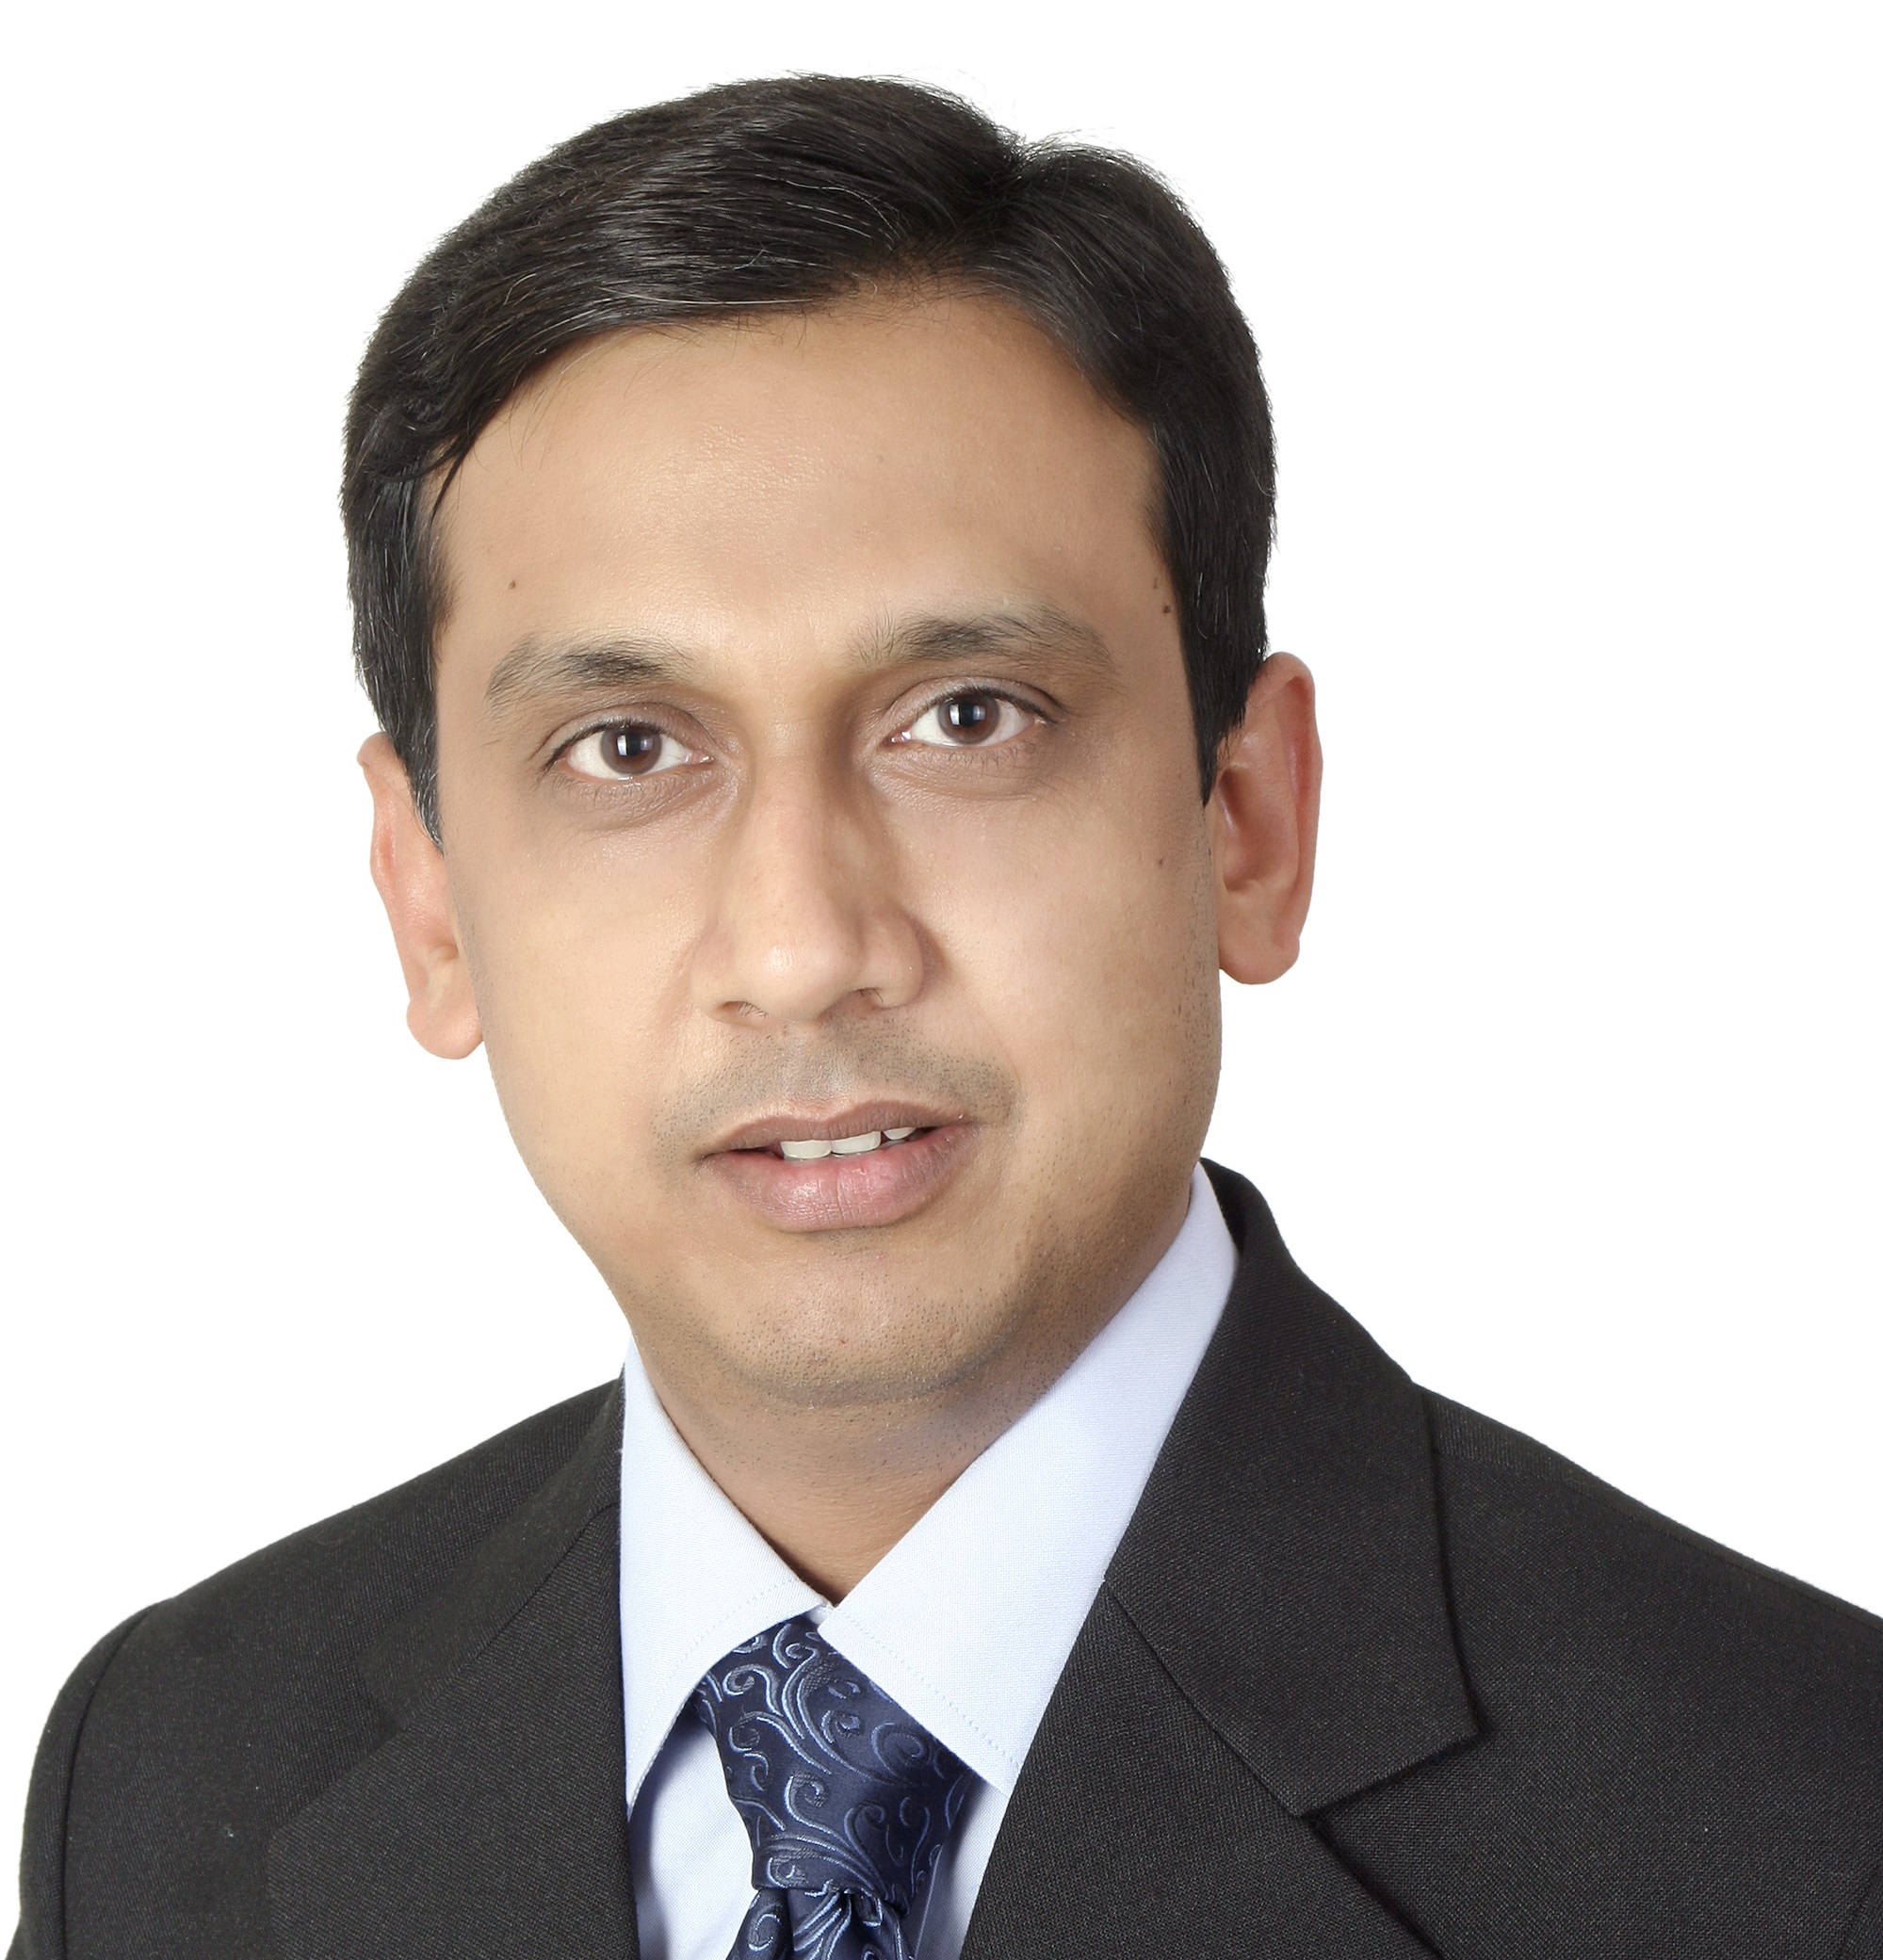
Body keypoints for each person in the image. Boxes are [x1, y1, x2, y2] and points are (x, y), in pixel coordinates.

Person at [11, 73, 1881, 1960]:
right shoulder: (167, 1776)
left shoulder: (1809, 1833)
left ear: (1248, 818)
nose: (804, 945)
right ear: (428, 900)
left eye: (966, 718)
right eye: (628, 748)